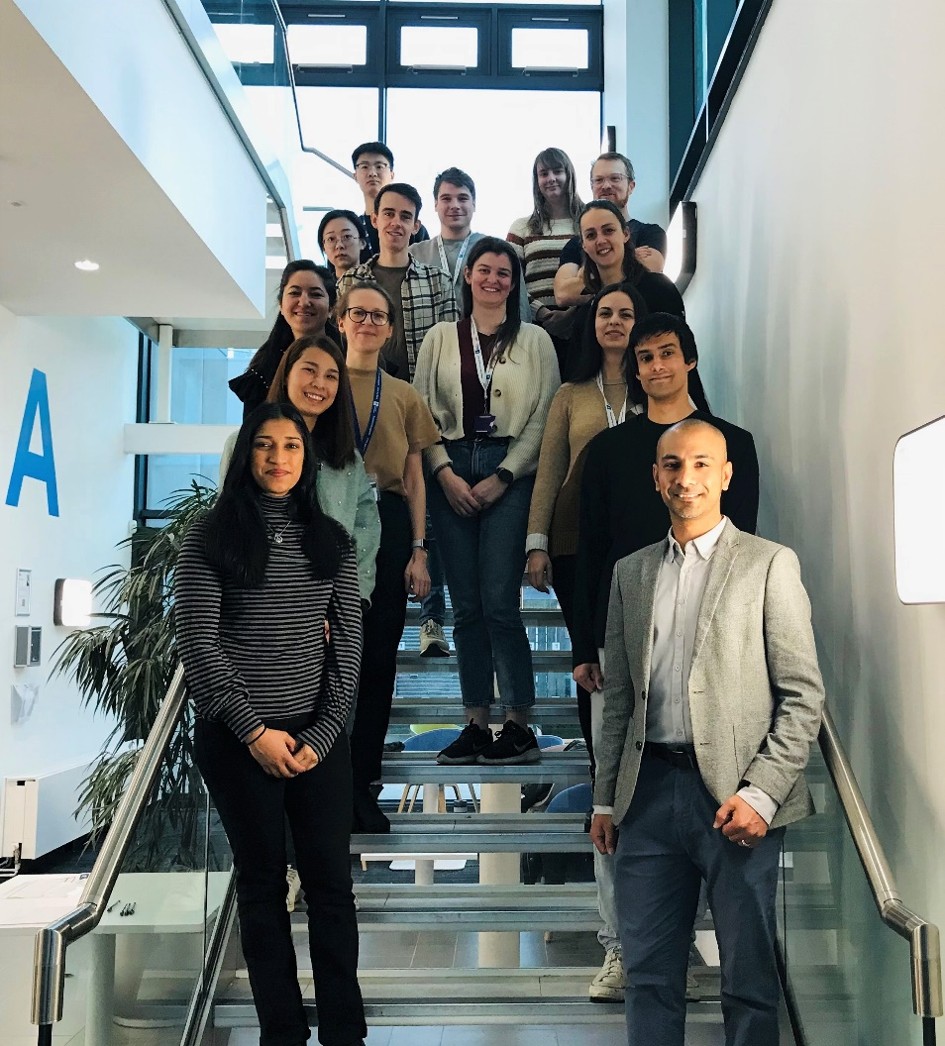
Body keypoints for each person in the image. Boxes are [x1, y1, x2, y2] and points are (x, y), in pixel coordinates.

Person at [590, 417, 825, 1046]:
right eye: (672, 465)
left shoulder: (768, 564)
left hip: (735, 798)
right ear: (655, 477)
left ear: (725, 475)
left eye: (700, 464)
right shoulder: (630, 572)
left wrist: (763, 794)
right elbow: (621, 702)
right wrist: (605, 798)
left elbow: (803, 695)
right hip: (645, 797)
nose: (685, 478)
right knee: (648, 976)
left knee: (748, 980)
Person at [176, 402, 367, 1046]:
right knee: (261, 886)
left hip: (318, 739)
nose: (278, 458)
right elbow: (199, 643)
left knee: (331, 887)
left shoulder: (332, 539)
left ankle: (344, 1031)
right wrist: (255, 733)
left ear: (306, 458)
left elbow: (348, 648)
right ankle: (281, 1032)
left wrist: (322, 735)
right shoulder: (208, 536)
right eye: (264, 444)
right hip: (237, 741)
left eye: (291, 445)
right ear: (244, 454)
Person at [525, 282, 647, 1002]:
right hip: (580, 558)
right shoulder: (571, 395)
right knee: (602, 726)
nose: (615, 323)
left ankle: (652, 932)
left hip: (649, 562)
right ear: (591, 325)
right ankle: (616, 941)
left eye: (626, 313)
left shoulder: (656, 393)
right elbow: (548, 469)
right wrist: (537, 541)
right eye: (605, 313)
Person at [412, 237, 561, 765]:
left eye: (504, 273)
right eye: (485, 270)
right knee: (467, 607)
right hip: (450, 468)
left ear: (514, 283)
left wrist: (504, 474)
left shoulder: (536, 340)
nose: (493, 280)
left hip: (510, 471)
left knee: (500, 602)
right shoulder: (439, 338)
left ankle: (518, 725)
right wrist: (442, 472)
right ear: (468, 276)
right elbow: (420, 411)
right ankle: (475, 723)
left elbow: (545, 415)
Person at [571, 312, 760, 691]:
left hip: (705, 626)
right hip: (622, 621)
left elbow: (739, 547)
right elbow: (590, 547)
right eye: (646, 357)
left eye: (667, 353)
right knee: (618, 729)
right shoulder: (607, 449)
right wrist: (583, 647)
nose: (657, 365)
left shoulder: (733, 444)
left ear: (689, 360)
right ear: (637, 371)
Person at [338, 281, 440, 832]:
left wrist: (419, 551)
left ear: (391, 329)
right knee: (330, 662)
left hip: (390, 522)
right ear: (341, 321)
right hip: (333, 521)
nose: (368, 323)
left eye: (379, 316)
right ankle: (325, 784)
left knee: (378, 665)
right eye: (359, 313)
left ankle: (363, 786)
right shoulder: (323, 383)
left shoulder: (402, 395)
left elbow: (415, 479)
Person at [265, 335, 381, 606]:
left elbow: (366, 529)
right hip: (264, 602)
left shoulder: (348, 460)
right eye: (309, 370)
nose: (319, 384)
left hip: (332, 602)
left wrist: (353, 600)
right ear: (286, 374)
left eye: (331, 376)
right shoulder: (248, 445)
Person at [338, 183, 460, 382]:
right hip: (362, 390)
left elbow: (451, 349)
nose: (396, 222)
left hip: (422, 393)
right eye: (388, 214)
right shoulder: (350, 282)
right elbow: (341, 344)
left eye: (405, 216)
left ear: (415, 226)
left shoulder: (439, 282)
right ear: (375, 219)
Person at [556, 202, 686, 382]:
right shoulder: (586, 313)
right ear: (584, 246)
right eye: (591, 235)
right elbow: (577, 377)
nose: (601, 240)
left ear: (625, 234)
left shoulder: (660, 290)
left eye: (608, 230)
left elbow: (680, 356)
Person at [410, 167, 531, 322]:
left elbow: (519, 308)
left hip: (487, 336)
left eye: (462, 198)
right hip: (429, 336)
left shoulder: (499, 252)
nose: (455, 205)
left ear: (474, 203)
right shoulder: (415, 255)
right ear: (435, 204)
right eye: (446, 198)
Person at [554, 152, 667, 310]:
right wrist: (630, 256)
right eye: (599, 180)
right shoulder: (576, 243)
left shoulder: (651, 233)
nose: (606, 186)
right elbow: (563, 294)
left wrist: (586, 273)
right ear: (592, 187)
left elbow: (651, 269)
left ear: (631, 186)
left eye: (615, 178)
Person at [228, 260, 337, 416]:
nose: (304, 302)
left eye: (316, 294)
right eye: (295, 293)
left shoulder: (348, 357)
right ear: (281, 304)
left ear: (331, 308)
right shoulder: (263, 369)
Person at [506, 147, 584, 356]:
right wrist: (542, 313)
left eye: (557, 171)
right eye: (543, 173)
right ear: (537, 181)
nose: (551, 178)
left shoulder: (588, 222)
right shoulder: (521, 228)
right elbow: (511, 280)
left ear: (569, 174)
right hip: (535, 329)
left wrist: (572, 314)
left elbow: (601, 273)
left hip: (583, 327)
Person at [351, 141, 429, 261]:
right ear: (355, 175)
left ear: (392, 174)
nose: (372, 173)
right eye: (364, 167)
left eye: (379, 166)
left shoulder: (413, 229)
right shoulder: (351, 229)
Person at [318, 209, 368, 279]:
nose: (339, 245)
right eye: (331, 239)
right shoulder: (321, 285)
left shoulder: (377, 282)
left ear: (362, 243)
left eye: (347, 237)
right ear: (324, 248)